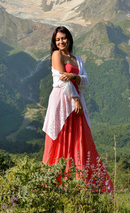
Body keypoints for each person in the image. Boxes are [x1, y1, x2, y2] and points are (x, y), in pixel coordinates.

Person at [42, 26, 113, 192]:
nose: (61, 42)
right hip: (62, 100)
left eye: (63, 38)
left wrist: (74, 76)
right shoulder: (56, 55)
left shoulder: (77, 59)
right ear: (54, 42)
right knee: (61, 138)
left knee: (78, 138)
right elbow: (61, 80)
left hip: (76, 100)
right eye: (57, 39)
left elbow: (86, 82)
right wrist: (76, 100)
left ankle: (83, 183)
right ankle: (55, 182)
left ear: (69, 39)